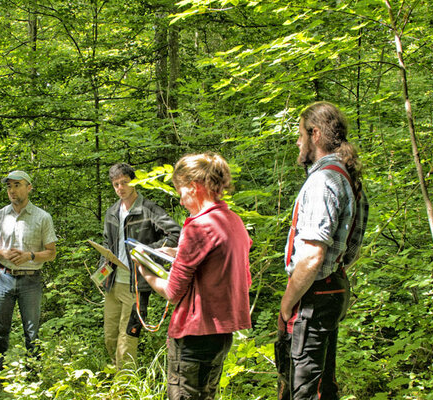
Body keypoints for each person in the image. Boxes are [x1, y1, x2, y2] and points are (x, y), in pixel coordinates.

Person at [137, 152, 251, 400]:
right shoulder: (233, 222)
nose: (180, 201)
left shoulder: (198, 226)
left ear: (194, 187)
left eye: (180, 192)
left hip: (194, 334)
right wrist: (177, 252)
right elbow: (224, 269)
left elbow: (172, 292)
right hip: (221, 333)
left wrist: (145, 271)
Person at [277, 102, 369, 400]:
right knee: (322, 385)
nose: (297, 142)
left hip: (314, 296)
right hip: (331, 290)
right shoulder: (347, 177)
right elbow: (351, 246)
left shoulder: (323, 181)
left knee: (304, 390)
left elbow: (313, 255)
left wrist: (287, 302)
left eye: (301, 134)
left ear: (315, 134)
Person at [0, 170, 57, 388]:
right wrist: (2, 253)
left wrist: (30, 256)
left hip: (30, 280)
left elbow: (51, 252)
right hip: (3, 277)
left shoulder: (42, 217)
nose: (12, 191)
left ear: (29, 187)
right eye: (9, 187)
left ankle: (33, 375)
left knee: (32, 331)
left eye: (17, 185)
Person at [100, 163, 180, 367]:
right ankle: (116, 379)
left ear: (134, 182)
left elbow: (176, 235)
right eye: (116, 184)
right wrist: (101, 274)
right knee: (110, 337)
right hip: (112, 283)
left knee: (127, 338)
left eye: (125, 182)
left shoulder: (149, 209)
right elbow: (107, 243)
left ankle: (125, 388)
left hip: (137, 283)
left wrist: (147, 251)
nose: (120, 188)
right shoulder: (111, 212)